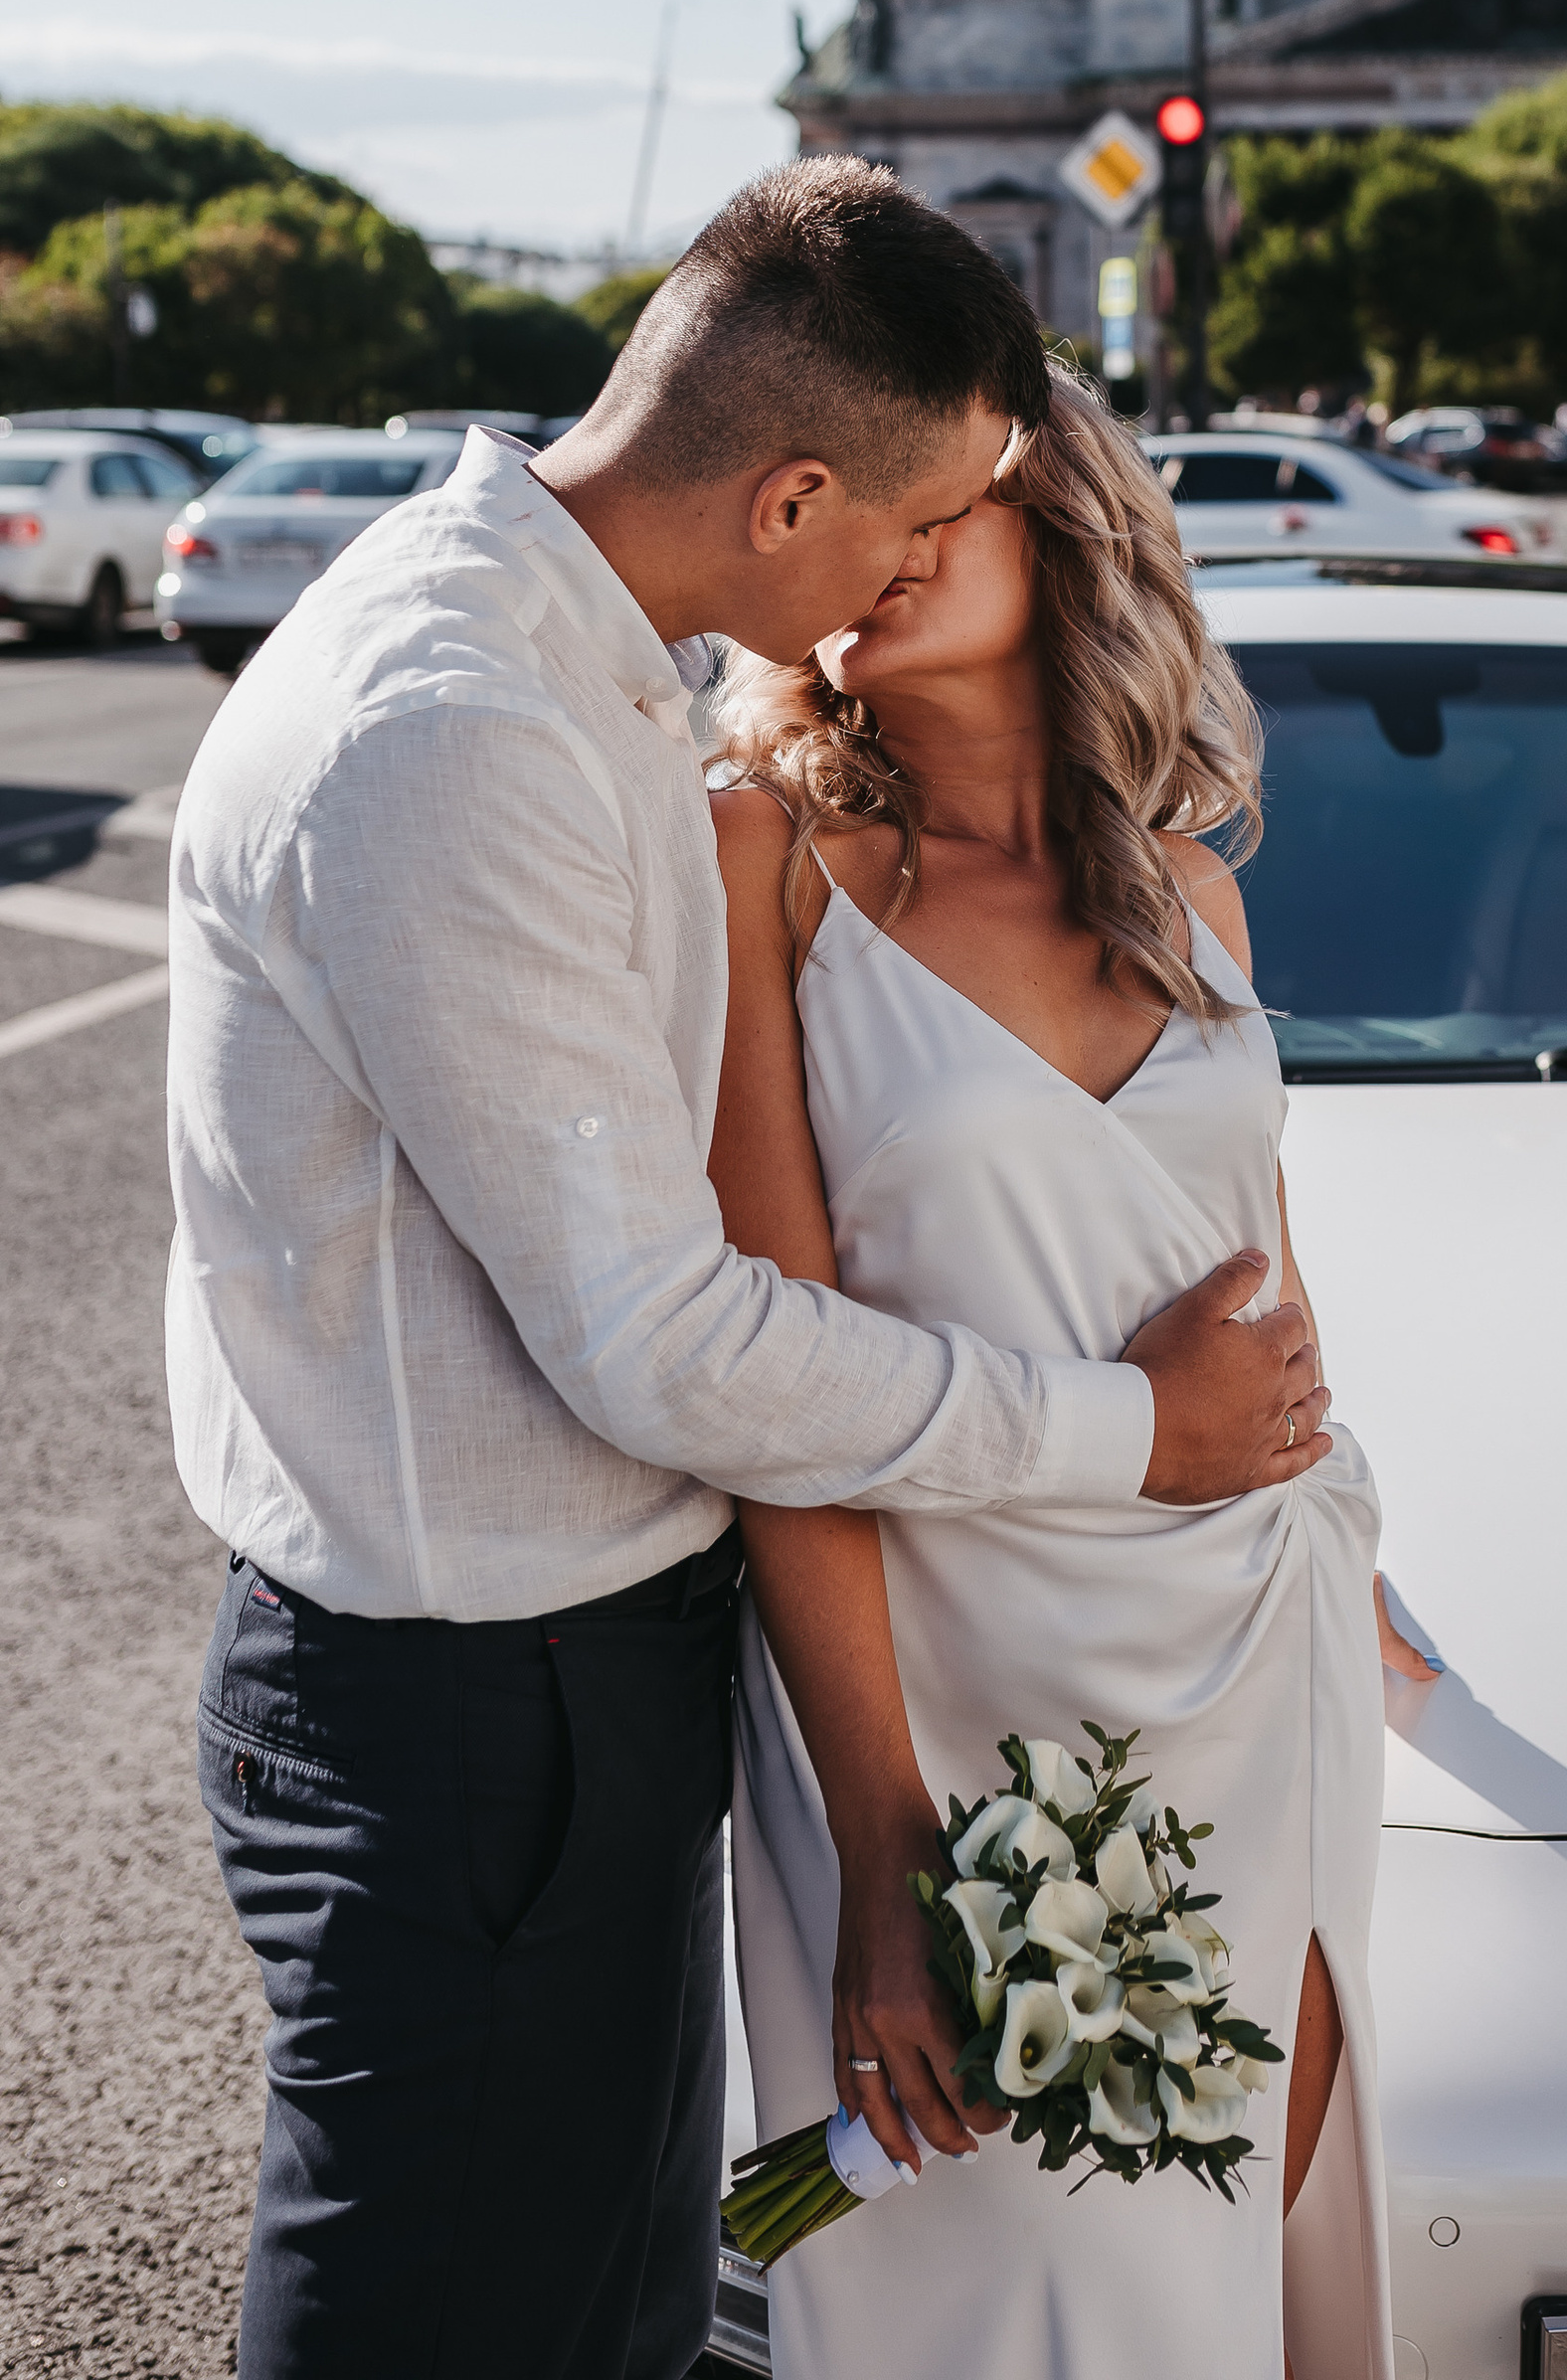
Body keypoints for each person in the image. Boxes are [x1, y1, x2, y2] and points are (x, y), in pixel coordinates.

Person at [170, 160, 1330, 2380]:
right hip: (471, 1696)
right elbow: (663, 1341)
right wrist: (1133, 1436)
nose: (911, 566)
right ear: (798, 497)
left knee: (614, 2306)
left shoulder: (585, 673)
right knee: (456, 2320)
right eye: (920, 518)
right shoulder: (459, 725)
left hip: (619, 1669)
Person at [710, 371, 1422, 2380]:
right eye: (843, 499)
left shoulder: (1188, 890)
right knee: (1008, 2281)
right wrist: (881, 1851)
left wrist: (1350, 1545)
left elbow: (1259, 1279)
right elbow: (769, 1389)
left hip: (1254, 1658)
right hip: (952, 1696)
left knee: (1240, 2224)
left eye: (935, 498)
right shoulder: (765, 866)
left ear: (1072, 531)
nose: (877, 540)